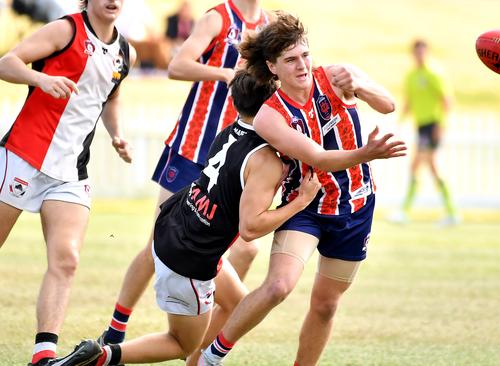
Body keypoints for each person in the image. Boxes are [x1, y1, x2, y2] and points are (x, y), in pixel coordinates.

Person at [54, 67, 402, 365]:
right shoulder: (266, 159)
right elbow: (250, 229)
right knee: (181, 344)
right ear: (270, 105)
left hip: (174, 227)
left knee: (237, 304)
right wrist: (298, 203)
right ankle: (104, 355)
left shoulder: (229, 131)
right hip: (190, 257)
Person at [199, 12, 404, 366]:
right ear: (272, 67)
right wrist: (368, 154)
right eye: (290, 60)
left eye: (305, 55)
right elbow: (320, 159)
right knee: (279, 286)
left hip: (354, 208)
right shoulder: (269, 115)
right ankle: (211, 357)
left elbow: (387, 105)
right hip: (306, 206)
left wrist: (360, 83)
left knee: (325, 306)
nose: (302, 65)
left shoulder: (337, 77)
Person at [98, 0, 271, 349]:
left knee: (242, 251)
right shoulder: (217, 17)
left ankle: (199, 343)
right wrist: (225, 74)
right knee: (157, 243)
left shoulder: (267, 25)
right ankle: (116, 329)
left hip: (229, 158)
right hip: (192, 147)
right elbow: (177, 66)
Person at [0, 0, 135, 365]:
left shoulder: (126, 51)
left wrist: (117, 135)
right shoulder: (65, 30)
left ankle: (43, 355)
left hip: (71, 170)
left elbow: (111, 97)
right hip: (24, 156)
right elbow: (7, 62)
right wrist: (40, 78)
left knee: (67, 260)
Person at [389, 39, 459, 226]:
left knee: (426, 165)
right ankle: (449, 212)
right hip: (421, 127)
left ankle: (409, 211)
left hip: (433, 125)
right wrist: (399, 123)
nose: (419, 55)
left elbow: (446, 101)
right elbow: (409, 102)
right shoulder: (411, 76)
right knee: (423, 167)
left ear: (427, 53)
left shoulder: (434, 74)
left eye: (422, 52)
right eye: (416, 52)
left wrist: (441, 125)